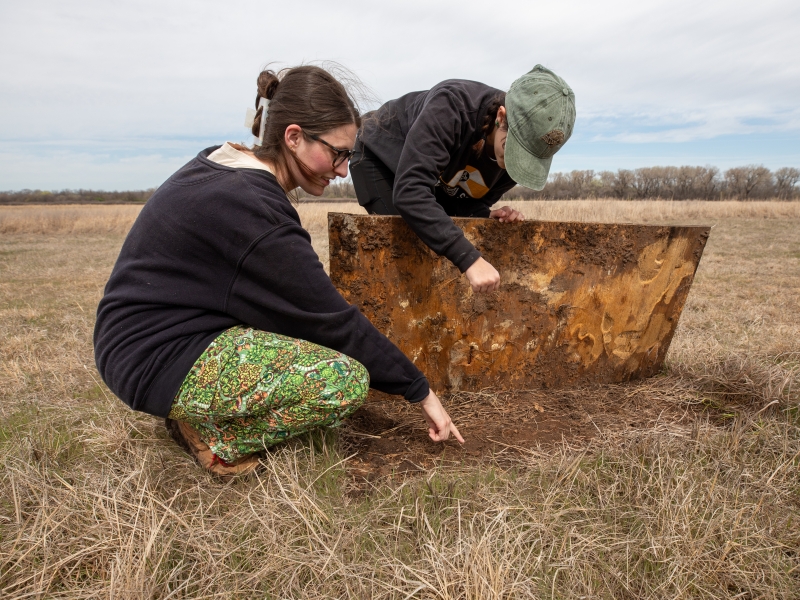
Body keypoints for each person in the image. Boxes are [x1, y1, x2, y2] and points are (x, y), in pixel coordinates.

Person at [94, 65, 463, 477]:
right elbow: (330, 321)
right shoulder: (252, 209)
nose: (343, 170)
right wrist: (419, 389)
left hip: (153, 334)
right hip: (152, 356)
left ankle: (200, 408)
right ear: (293, 136)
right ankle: (216, 437)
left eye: (349, 156)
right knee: (343, 380)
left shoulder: (228, 164)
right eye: (337, 153)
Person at [350, 65, 576, 293]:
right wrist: (470, 260)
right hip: (381, 157)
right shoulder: (451, 107)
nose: (513, 164)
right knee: (414, 245)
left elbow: (458, 201)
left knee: (439, 245)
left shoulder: (514, 162)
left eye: (526, 158)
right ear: (501, 117)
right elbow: (411, 191)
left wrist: (483, 213)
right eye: (513, 150)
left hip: (432, 181)